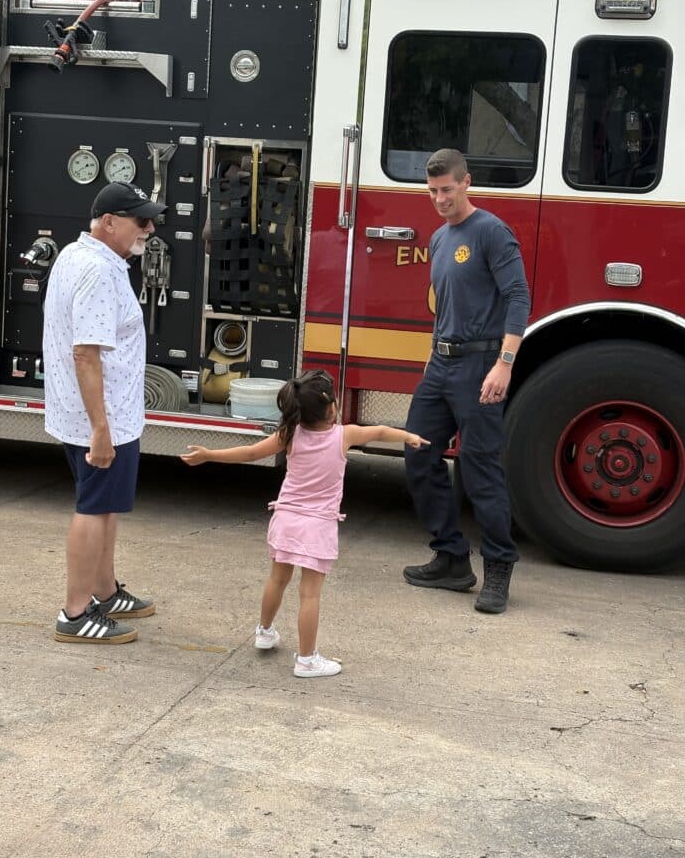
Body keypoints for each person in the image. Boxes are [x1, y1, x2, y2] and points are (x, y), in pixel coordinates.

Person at [181, 371, 429, 677]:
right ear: (332, 408)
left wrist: (208, 455)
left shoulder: (290, 434)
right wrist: (408, 436)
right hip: (318, 527)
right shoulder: (344, 436)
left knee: (276, 580)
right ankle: (307, 659)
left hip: (285, 519)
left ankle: (264, 631)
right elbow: (378, 432)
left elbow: (250, 452)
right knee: (309, 594)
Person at [403, 148, 530, 614]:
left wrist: (505, 363)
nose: (439, 199)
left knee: (479, 472)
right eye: (432, 191)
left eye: (447, 190)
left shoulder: (492, 231)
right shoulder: (439, 238)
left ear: (466, 182)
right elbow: (446, 306)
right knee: (417, 455)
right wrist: (431, 358)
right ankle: (452, 559)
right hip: (440, 366)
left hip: (481, 366)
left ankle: (498, 570)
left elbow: (518, 297)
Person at [44, 182, 166, 644]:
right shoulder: (97, 271)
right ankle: (75, 614)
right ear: (108, 222)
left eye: (151, 220)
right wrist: (100, 429)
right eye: (141, 220)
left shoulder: (82, 257)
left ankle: (106, 592)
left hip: (103, 414)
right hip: (100, 417)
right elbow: (86, 354)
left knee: (106, 505)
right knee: (93, 508)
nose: (149, 229)